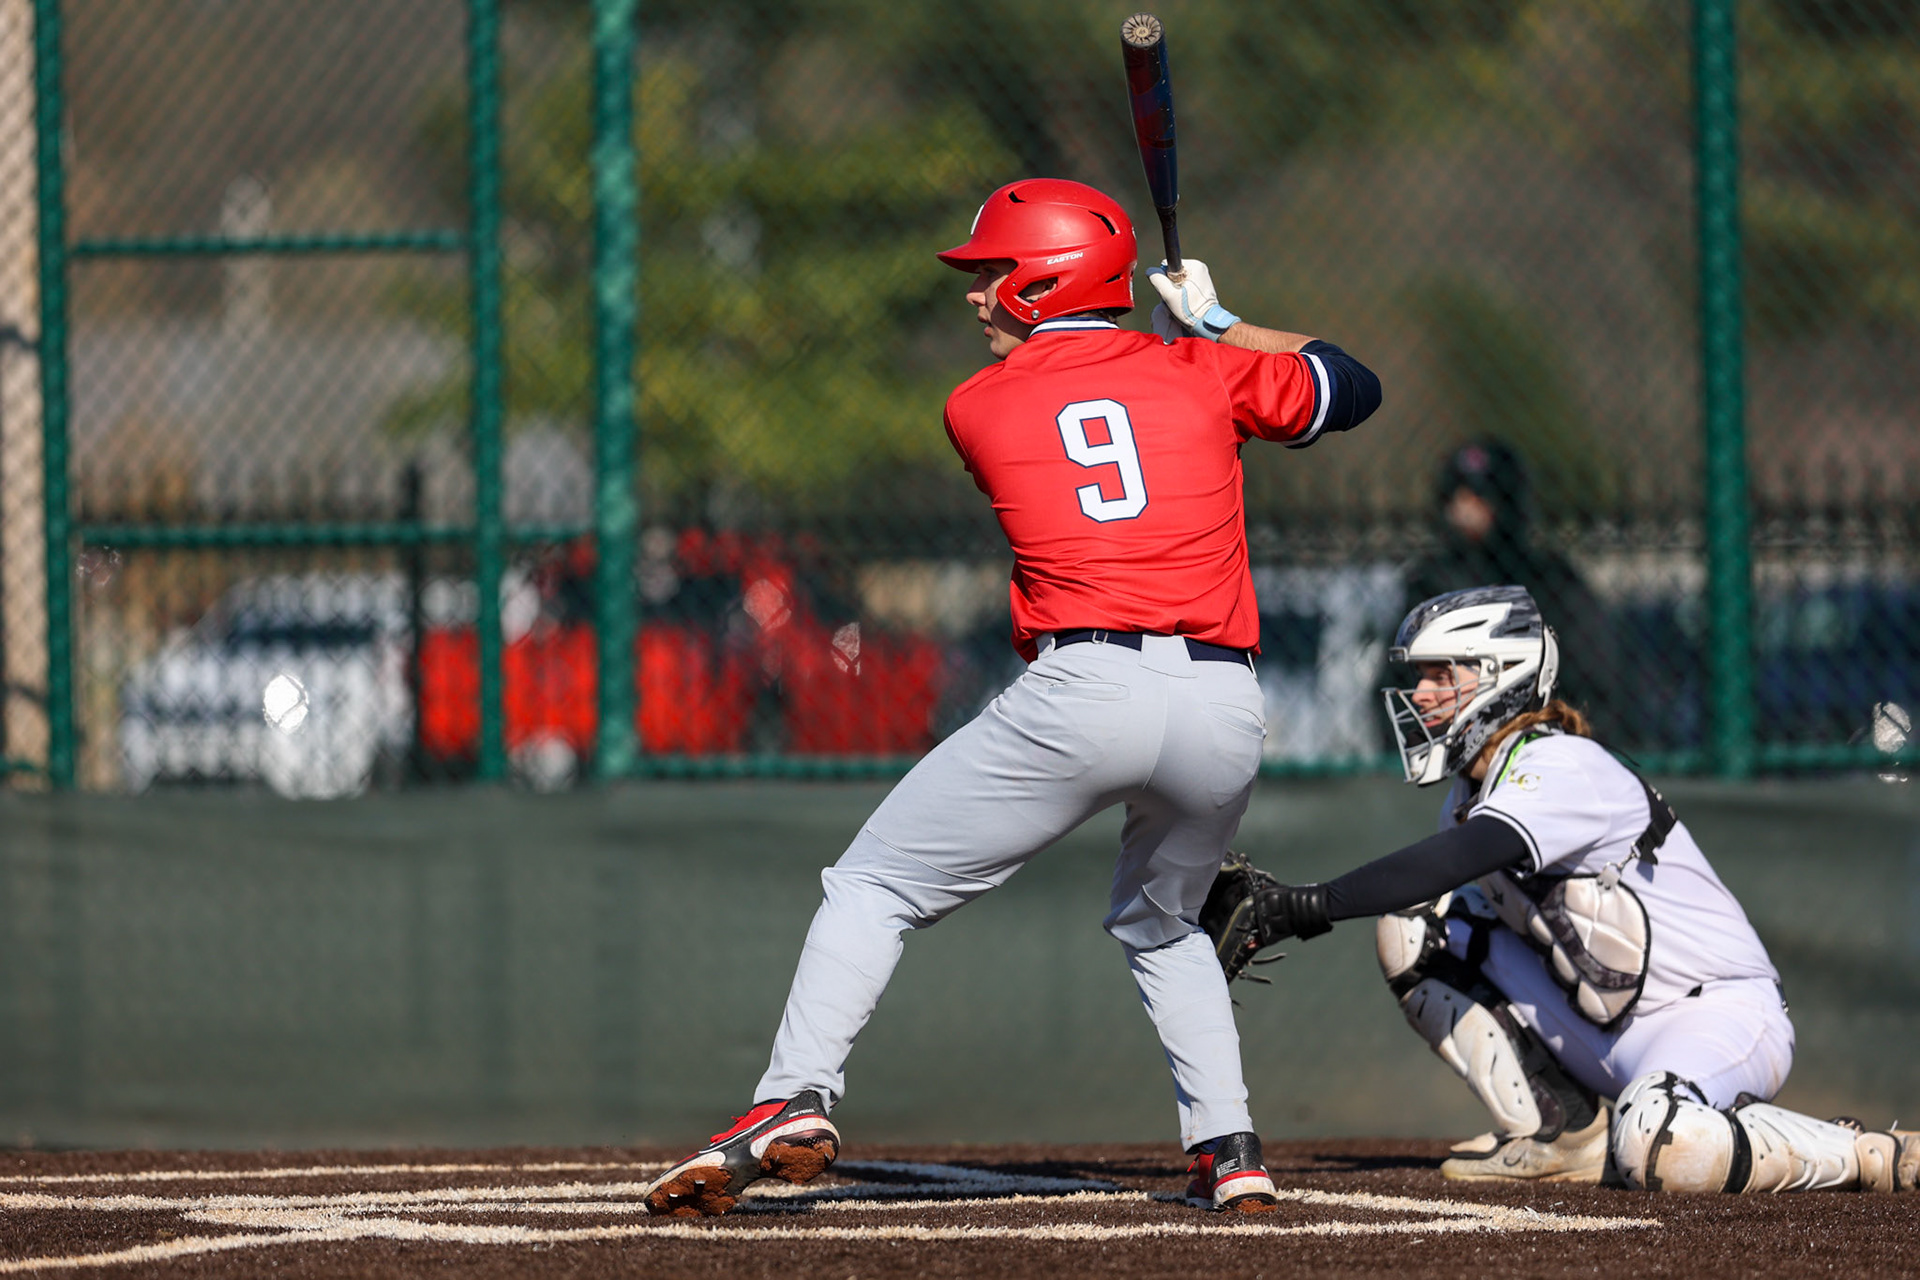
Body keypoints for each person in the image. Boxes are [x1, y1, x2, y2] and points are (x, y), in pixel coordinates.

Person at [640, 177, 1382, 1217]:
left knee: (872, 887)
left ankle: (791, 1097)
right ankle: (1230, 1148)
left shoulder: (976, 404)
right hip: (1225, 702)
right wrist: (1219, 324)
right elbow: (1351, 384)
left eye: (994, 273)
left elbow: (1090, 401)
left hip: (1088, 686)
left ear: (1045, 278)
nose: (978, 295)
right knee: (1165, 923)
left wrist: (1190, 348)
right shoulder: (1204, 370)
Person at [1231, 584, 1918, 1193]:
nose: (1422, 695)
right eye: (1421, 677)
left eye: (1443, 674)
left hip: (1716, 1014)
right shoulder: (1474, 789)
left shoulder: (1561, 764)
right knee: (1417, 929)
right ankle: (1564, 1133)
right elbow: (1439, 880)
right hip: (1603, 1029)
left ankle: (1862, 1154)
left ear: (1502, 676)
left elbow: (1456, 856)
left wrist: (1305, 906)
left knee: (1659, 1145)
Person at [1402, 440, 1616, 734]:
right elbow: (1402, 679)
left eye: (1479, 496)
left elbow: (1592, 676)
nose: (1464, 509)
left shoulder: (1548, 579)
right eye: (1457, 496)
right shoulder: (1430, 583)